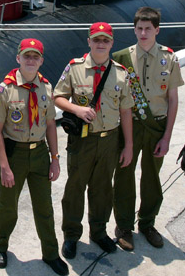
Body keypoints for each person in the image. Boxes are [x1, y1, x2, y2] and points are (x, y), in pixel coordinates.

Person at [54, 22, 134, 258]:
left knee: (102, 190)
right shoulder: (75, 68)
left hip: (109, 139)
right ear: (89, 41)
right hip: (83, 141)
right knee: (75, 189)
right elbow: (58, 97)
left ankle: (98, 232)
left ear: (111, 43)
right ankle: (71, 235)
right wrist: (76, 110)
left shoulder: (120, 73)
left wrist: (128, 145)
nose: (100, 44)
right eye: (96, 40)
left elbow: (126, 111)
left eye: (105, 40)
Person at [0, 38, 69, 276]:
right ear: (18, 58)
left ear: (41, 61)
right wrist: (4, 166)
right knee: (7, 206)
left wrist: (55, 158)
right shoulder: (5, 90)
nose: (31, 60)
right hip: (13, 153)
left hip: (39, 154)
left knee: (44, 207)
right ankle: (1, 246)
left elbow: (49, 125)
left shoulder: (46, 88)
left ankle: (50, 253)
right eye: (27, 56)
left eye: (35, 57)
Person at [112, 7, 184, 251]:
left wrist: (167, 137)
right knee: (124, 175)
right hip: (129, 126)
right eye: (139, 28)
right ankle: (123, 226)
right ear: (134, 29)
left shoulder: (169, 58)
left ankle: (147, 223)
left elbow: (173, 99)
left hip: (156, 126)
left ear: (157, 30)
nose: (143, 33)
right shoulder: (121, 58)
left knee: (152, 178)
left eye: (148, 29)